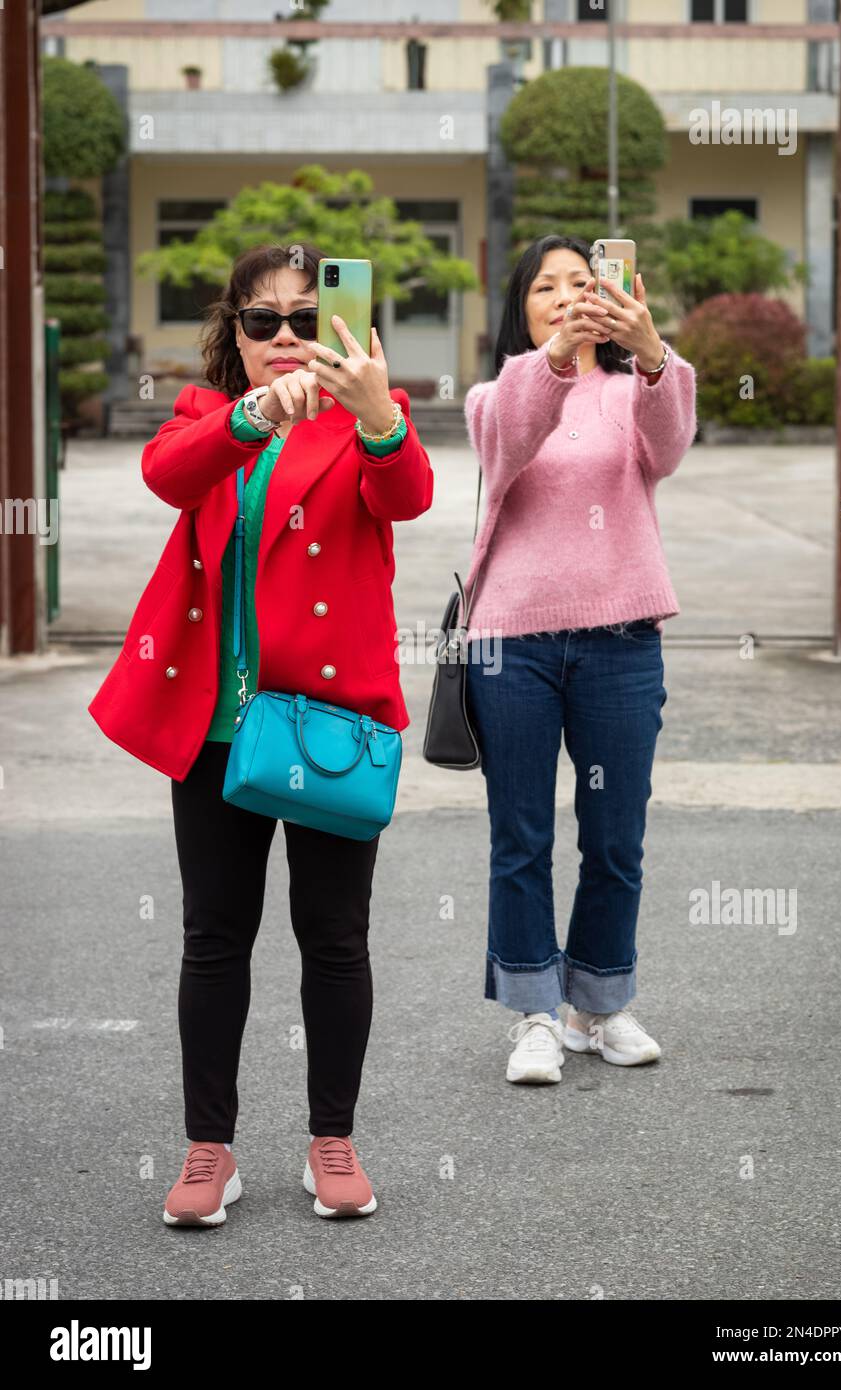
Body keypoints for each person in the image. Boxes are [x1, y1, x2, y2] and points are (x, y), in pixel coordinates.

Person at [88, 242, 433, 1222]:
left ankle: (334, 1140)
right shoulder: (210, 421)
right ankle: (210, 1150)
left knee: (333, 938)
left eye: (303, 318)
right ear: (232, 338)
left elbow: (406, 495)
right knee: (212, 938)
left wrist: (369, 415)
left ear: (337, 331)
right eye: (260, 319)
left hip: (325, 726)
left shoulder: (377, 421)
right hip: (216, 730)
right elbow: (166, 473)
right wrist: (253, 417)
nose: (284, 336)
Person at [461, 234, 697, 1084]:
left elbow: (668, 450)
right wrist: (558, 357)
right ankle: (532, 1011)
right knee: (519, 836)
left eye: (580, 282)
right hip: (511, 642)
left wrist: (651, 352)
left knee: (615, 837)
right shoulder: (499, 393)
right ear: (520, 310)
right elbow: (511, 440)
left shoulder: (639, 387)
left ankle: (597, 1005)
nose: (564, 297)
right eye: (544, 289)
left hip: (622, 638)